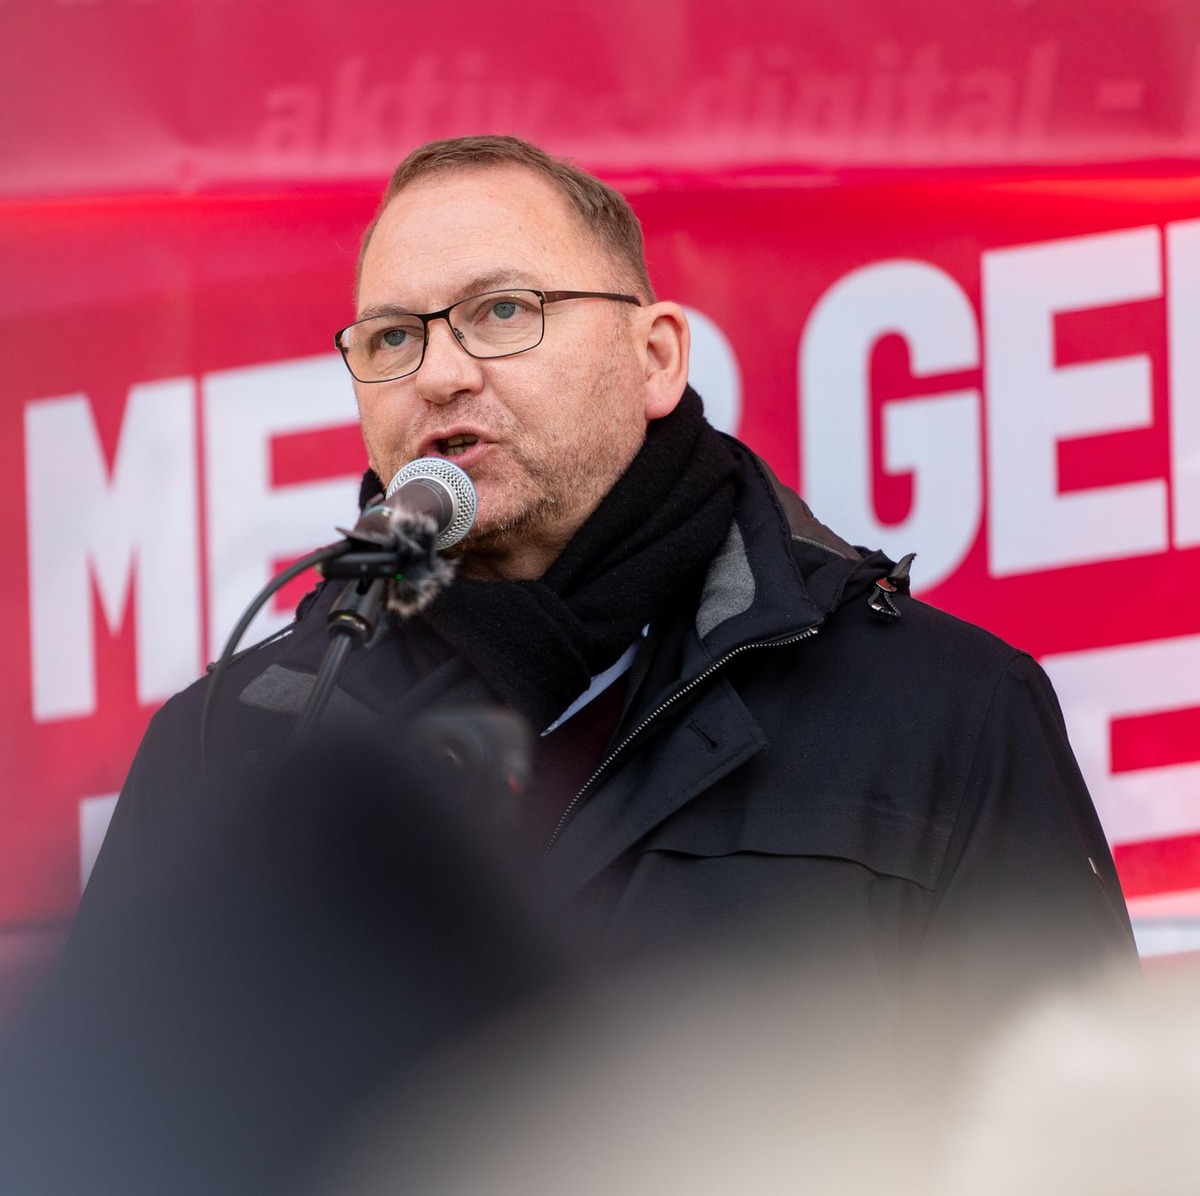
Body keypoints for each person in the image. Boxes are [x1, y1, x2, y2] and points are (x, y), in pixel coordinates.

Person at [75, 134, 1136, 1038]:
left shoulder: (944, 710)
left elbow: (1078, 1150)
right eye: (394, 337)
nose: (441, 373)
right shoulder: (228, 747)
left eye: (502, 310)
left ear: (657, 356)